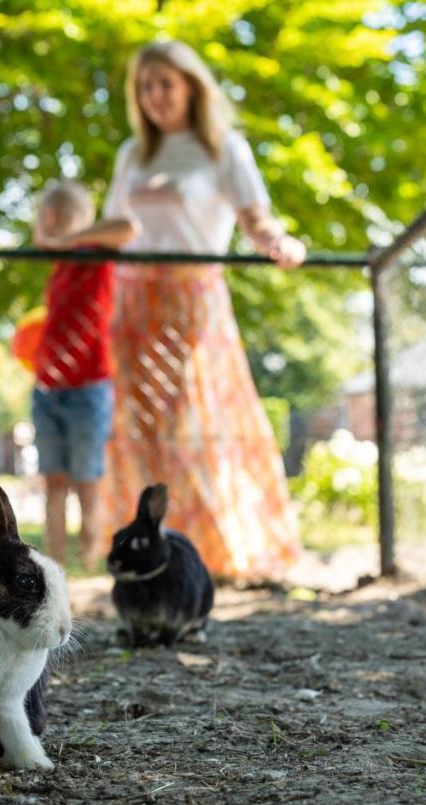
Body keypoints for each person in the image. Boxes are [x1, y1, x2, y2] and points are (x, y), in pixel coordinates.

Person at [102, 40, 307, 585]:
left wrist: (279, 243)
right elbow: (113, 231)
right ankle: (147, 554)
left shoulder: (223, 149)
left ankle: (218, 548)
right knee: (142, 429)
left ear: (191, 86)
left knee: (199, 422)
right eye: (145, 86)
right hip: (132, 305)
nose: (155, 96)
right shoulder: (132, 154)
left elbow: (256, 219)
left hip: (193, 302)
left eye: (165, 83)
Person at [29, 179, 137, 567]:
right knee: (53, 480)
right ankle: (53, 562)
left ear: (52, 217)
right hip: (48, 387)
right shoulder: (58, 268)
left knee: (87, 481)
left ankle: (91, 559)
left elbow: (127, 227)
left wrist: (66, 238)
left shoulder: (94, 255)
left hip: (88, 388)